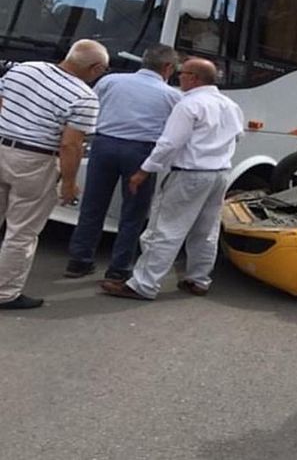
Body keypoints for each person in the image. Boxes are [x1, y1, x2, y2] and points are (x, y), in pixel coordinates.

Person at [100, 58, 244, 300]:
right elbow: (238, 136)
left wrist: (144, 171)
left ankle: (143, 285)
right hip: (219, 174)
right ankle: (199, 279)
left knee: (163, 230)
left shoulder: (189, 104)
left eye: (183, 73)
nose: (178, 77)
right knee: (206, 230)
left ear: (194, 78)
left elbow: (169, 143)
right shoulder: (230, 105)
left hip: (190, 174)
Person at [0, 39, 107, 309]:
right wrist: (69, 184)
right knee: (21, 232)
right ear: (95, 68)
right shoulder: (84, 97)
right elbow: (70, 144)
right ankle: (5, 293)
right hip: (35, 161)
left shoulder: (23, 69)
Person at [65, 44, 182, 281]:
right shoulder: (172, 95)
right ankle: (119, 268)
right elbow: (173, 129)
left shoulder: (111, 81)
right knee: (133, 212)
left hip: (104, 145)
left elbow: (92, 108)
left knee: (93, 206)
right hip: (141, 152)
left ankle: (79, 260)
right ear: (168, 67)